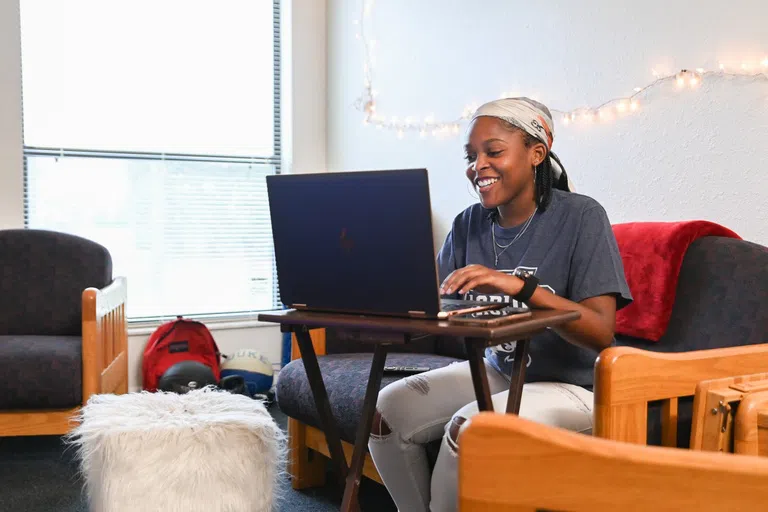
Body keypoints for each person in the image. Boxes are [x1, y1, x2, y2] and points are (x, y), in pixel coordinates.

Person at [367, 97, 633, 512]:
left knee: (471, 429)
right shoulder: (468, 222)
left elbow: (601, 332)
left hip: (576, 386)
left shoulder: (582, 217)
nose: (478, 166)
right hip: (497, 370)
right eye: (472, 156)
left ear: (536, 154)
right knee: (386, 412)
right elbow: (432, 304)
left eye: (493, 151)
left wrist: (522, 288)